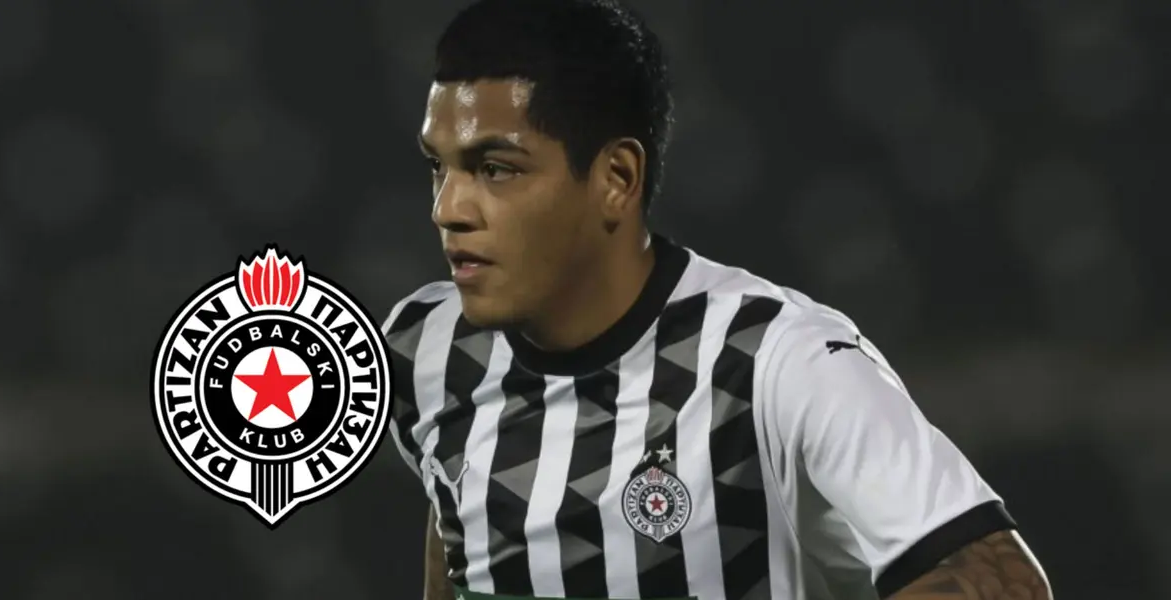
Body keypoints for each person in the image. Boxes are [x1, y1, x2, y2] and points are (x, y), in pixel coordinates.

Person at [384, 1, 1052, 599]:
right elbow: (462, 535)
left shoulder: (775, 359)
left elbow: (1003, 584)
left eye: (495, 169)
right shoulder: (424, 347)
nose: (448, 208)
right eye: (439, 166)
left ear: (616, 178)